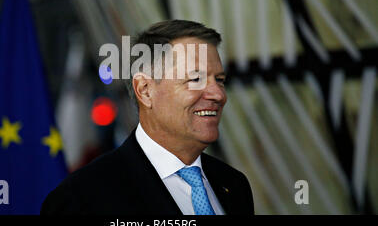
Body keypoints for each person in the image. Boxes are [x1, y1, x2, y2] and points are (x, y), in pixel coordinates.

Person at [41, 20, 254, 215]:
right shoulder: (82, 200)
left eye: (219, 80)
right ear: (145, 90)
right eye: (196, 79)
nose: (218, 94)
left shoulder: (234, 185)